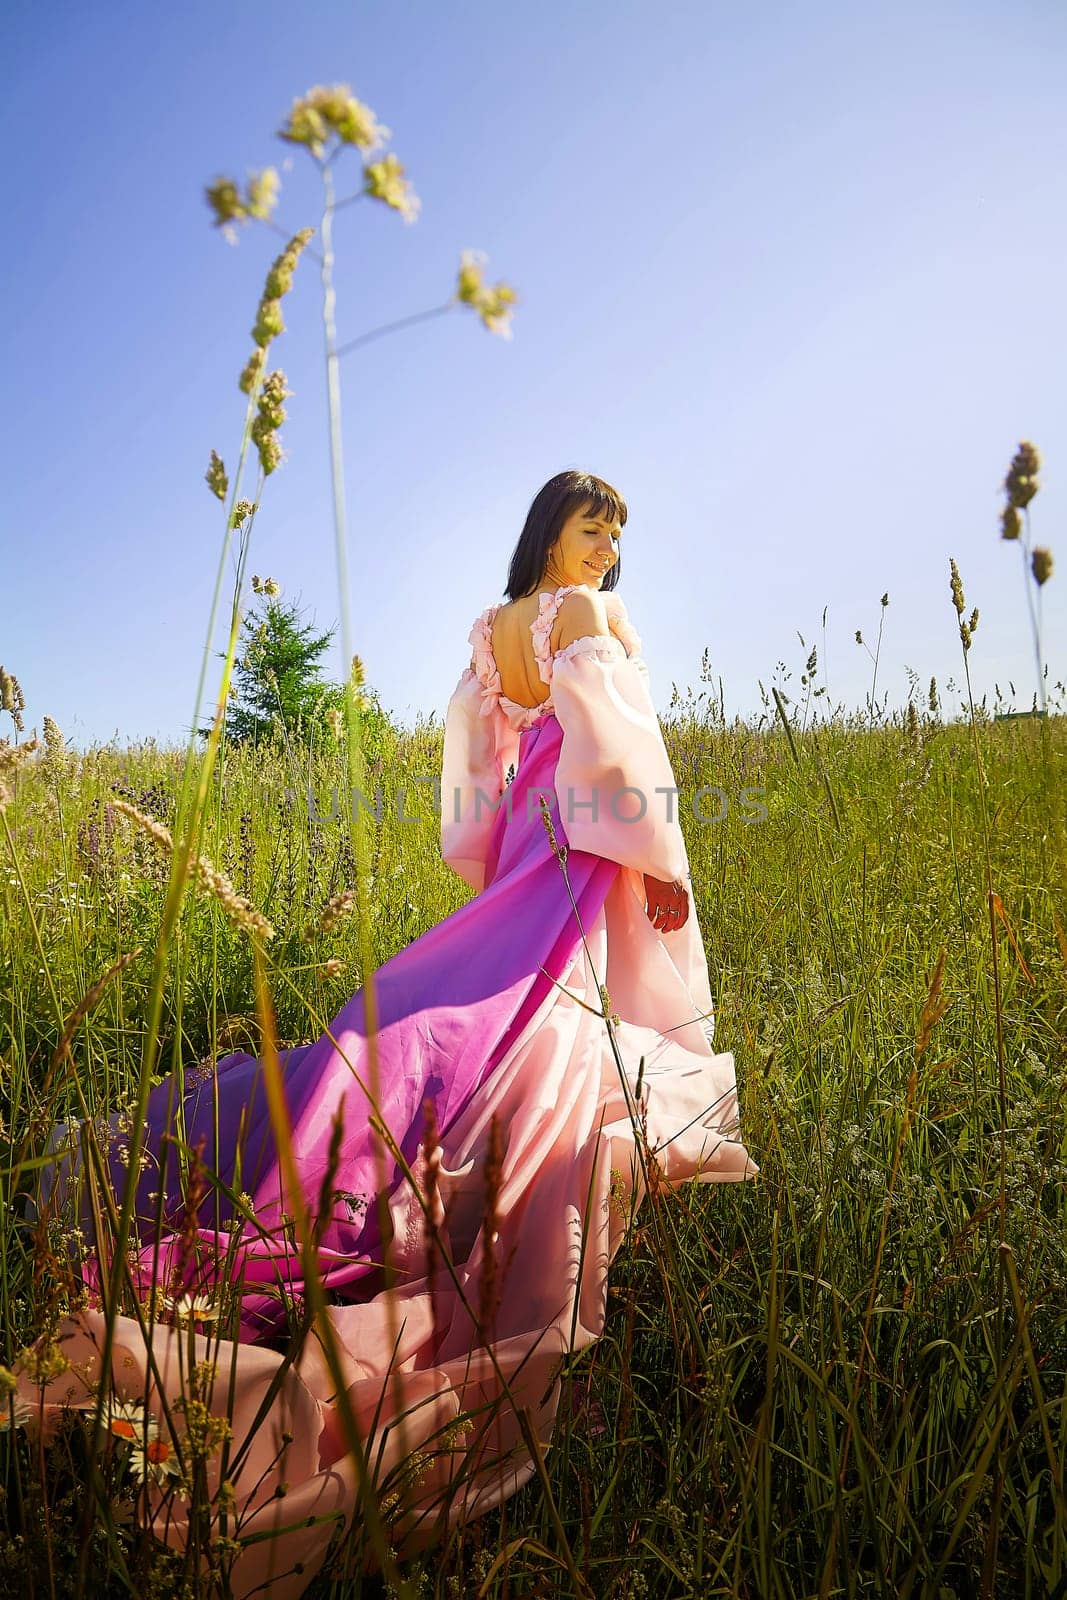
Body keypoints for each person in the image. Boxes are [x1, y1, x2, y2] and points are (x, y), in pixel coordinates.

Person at [21, 469, 757, 1598]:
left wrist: (495, 855)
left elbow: (470, 785)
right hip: (582, 839)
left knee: (450, 1016)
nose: (606, 543)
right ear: (548, 530)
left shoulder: (489, 633)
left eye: (615, 528)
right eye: (588, 521)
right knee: (551, 1023)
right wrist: (658, 860)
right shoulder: (588, 617)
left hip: (524, 833)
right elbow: (615, 737)